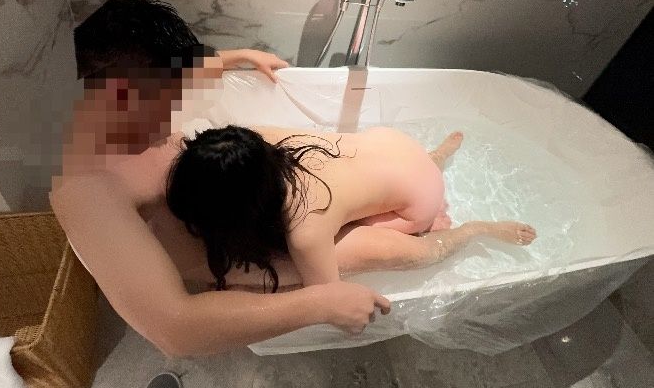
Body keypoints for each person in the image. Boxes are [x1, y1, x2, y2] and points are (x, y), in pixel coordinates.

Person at [52, 0, 407, 358]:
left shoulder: (130, 97)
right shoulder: (86, 188)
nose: (173, 113)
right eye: (164, 103)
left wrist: (238, 56)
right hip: (238, 248)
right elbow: (174, 330)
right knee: (382, 247)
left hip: (240, 192)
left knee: (350, 159)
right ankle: (444, 243)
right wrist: (320, 304)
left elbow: (183, 72)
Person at [164, 124, 537, 293]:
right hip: (394, 143)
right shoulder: (251, 140)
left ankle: (473, 229)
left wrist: (241, 283)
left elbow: (324, 294)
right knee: (357, 189)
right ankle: (435, 158)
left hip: (419, 202)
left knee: (407, 252)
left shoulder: (305, 227)